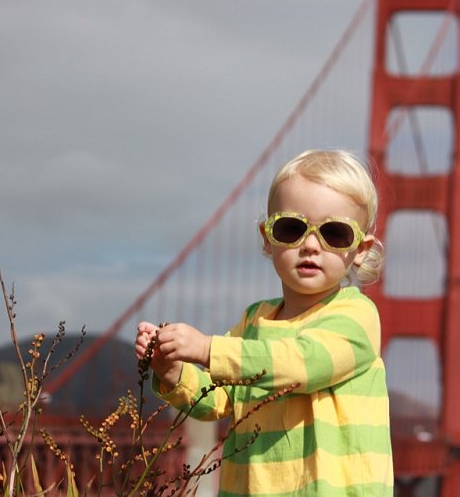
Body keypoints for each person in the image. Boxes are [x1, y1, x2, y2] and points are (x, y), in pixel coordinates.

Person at [135, 149, 393, 496]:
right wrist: (172, 372)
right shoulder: (253, 321)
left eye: (334, 233)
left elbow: (300, 365)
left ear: (360, 250)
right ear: (268, 238)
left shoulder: (356, 316)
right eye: (291, 229)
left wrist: (208, 349)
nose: (311, 245)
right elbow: (217, 399)